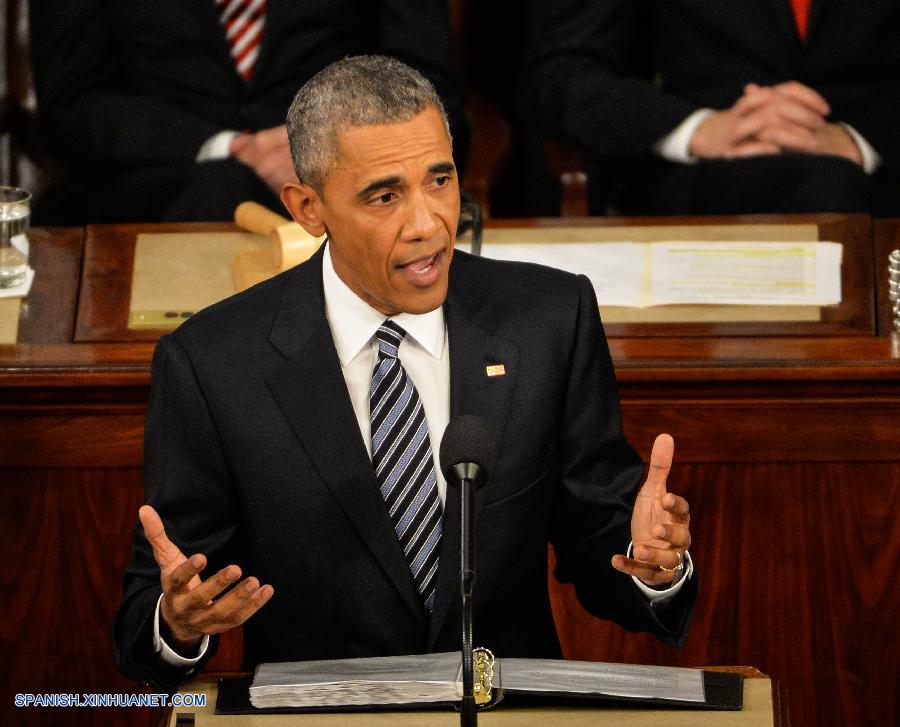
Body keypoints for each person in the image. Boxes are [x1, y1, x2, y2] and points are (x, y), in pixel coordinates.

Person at [113, 55, 697, 694]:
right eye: (384, 195)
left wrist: (653, 567)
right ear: (309, 208)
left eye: (440, 180)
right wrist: (179, 624)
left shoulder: (549, 319)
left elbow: (600, 541)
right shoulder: (214, 362)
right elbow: (153, 614)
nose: (428, 224)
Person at [28, 0, 465, 224]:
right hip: (147, 187)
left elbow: (427, 86)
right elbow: (71, 103)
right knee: (220, 191)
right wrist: (234, 148)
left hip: (341, 178)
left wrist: (322, 143)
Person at [523, 0, 900, 215]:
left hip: (883, 175)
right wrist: (696, 128)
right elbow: (561, 72)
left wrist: (862, 140)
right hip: (694, 184)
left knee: (829, 191)